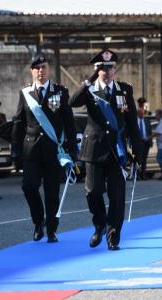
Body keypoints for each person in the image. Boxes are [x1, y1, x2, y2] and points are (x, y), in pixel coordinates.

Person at [69, 49, 142, 250]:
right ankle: (99, 225)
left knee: (117, 196)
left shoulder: (124, 90)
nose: (108, 72)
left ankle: (113, 235)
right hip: (94, 149)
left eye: (110, 68)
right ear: (97, 70)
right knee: (93, 192)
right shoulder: (90, 90)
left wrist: (138, 151)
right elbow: (72, 102)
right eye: (103, 68)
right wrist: (90, 80)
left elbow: (132, 123)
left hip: (116, 151)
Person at [12, 55, 77, 243]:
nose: (41, 71)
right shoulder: (25, 93)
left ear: (49, 69)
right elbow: (18, 122)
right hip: (31, 149)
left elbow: (69, 123)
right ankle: (38, 221)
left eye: (44, 67)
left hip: (53, 151)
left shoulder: (61, 92)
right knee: (29, 187)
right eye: (37, 68)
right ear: (32, 71)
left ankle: (51, 230)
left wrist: (72, 148)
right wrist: (15, 150)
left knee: (51, 193)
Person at [136, 108, 152, 180]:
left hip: (146, 142)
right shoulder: (135, 121)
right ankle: (137, 175)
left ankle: (143, 175)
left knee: (144, 160)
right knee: (139, 159)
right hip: (138, 143)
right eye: (141, 113)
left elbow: (150, 131)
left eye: (143, 113)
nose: (142, 115)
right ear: (138, 113)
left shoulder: (147, 121)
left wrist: (149, 140)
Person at [152, 108, 162, 179]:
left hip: (161, 146)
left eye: (156, 114)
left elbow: (156, 133)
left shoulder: (161, 122)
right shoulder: (160, 122)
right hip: (160, 145)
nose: (155, 115)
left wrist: (147, 138)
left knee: (159, 159)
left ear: (159, 114)